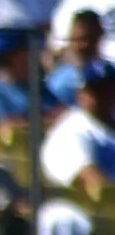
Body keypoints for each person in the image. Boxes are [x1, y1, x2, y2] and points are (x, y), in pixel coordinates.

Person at [42, 59, 115, 199]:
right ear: (79, 94)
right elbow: (91, 180)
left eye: (108, 87)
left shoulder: (108, 122)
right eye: (95, 89)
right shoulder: (71, 131)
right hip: (94, 211)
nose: (103, 95)